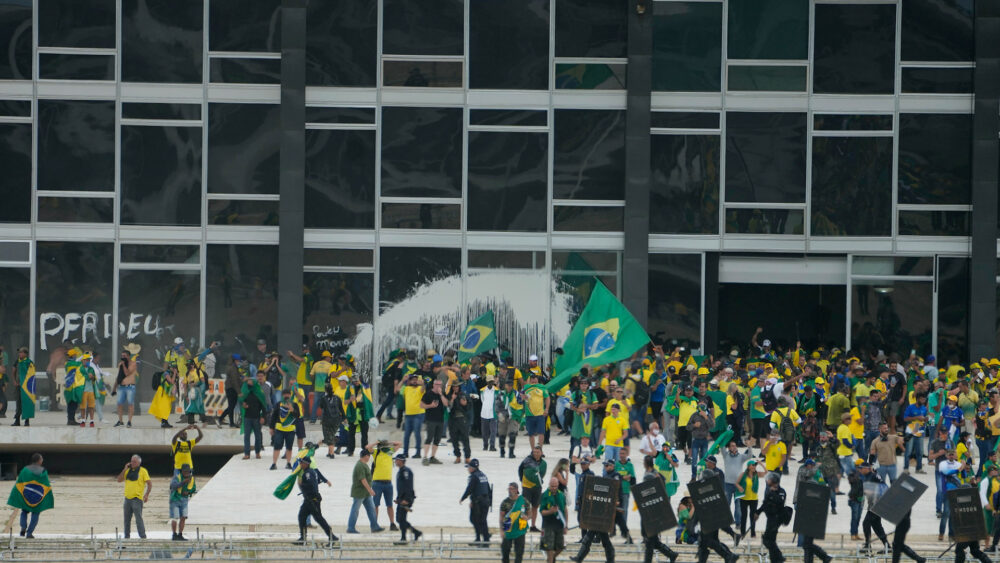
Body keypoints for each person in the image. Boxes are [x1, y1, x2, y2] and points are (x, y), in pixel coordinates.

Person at [569, 462, 616, 563]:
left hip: (601, 519)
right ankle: (579, 558)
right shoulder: (595, 491)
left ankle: (609, 559)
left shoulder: (609, 486)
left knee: (604, 542)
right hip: (597, 518)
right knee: (591, 540)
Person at [639, 456, 679, 563]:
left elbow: (662, 483)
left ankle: (649, 561)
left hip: (653, 514)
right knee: (654, 541)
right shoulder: (650, 473)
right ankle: (671, 554)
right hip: (649, 511)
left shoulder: (654, 473)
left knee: (650, 542)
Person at [7, 453, 53, 538]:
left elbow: (19, 482)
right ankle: (29, 533)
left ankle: (23, 527)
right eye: (41, 459)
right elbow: (46, 484)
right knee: (35, 513)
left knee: (24, 511)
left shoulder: (25, 470)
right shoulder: (43, 471)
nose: (42, 460)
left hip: (26, 495)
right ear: (39, 461)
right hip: (37, 496)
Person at [295, 456, 338, 544]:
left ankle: (332, 536)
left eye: (301, 463)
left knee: (319, 519)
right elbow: (316, 482)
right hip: (309, 500)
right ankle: (303, 538)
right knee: (302, 516)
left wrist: (301, 485)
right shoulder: (311, 472)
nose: (300, 464)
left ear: (306, 464)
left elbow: (311, 485)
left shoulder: (308, 473)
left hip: (312, 500)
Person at [345, 449, 385, 533]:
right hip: (359, 492)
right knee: (355, 510)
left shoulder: (364, 464)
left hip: (365, 493)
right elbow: (362, 479)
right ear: (366, 456)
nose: (369, 458)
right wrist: (370, 490)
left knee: (371, 509)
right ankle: (350, 528)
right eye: (369, 456)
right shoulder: (360, 465)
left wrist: (369, 491)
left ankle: (374, 526)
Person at [368, 440, 401, 531]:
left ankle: (392, 523)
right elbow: (368, 447)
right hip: (377, 482)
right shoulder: (376, 453)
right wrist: (376, 442)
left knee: (389, 505)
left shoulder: (389, 452)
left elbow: (399, 443)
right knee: (375, 505)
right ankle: (374, 525)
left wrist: (388, 441)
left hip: (388, 483)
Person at [117, 454, 151, 540]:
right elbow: (119, 480)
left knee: (138, 519)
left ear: (139, 463)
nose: (132, 463)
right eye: (131, 461)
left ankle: (142, 536)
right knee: (126, 519)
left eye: (134, 462)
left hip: (137, 499)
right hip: (127, 499)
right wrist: (125, 469)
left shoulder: (143, 471)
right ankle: (127, 536)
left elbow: (149, 483)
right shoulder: (127, 471)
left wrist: (146, 494)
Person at [460, 458, 492, 546]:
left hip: (478, 502)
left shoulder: (473, 477)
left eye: (469, 467)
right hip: (485, 501)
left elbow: (470, 489)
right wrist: (490, 502)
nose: (468, 469)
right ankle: (483, 538)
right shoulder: (483, 475)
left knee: (476, 520)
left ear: (472, 468)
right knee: (481, 520)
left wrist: (463, 498)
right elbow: (488, 489)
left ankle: (484, 539)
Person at [756, 472, 786, 563]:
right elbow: (765, 503)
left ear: (773, 481)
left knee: (768, 539)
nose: (767, 480)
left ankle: (779, 557)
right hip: (770, 518)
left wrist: (773, 493)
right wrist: (757, 512)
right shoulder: (769, 491)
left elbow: (780, 502)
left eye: (769, 479)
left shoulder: (781, 491)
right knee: (770, 540)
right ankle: (775, 559)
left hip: (777, 518)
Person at [269, 389, 300, 470]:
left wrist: (292, 409)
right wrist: (271, 427)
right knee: (277, 446)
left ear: (290, 395)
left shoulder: (294, 404)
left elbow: (298, 416)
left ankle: (288, 463)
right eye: (284, 394)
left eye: (288, 394)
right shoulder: (278, 404)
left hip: (290, 429)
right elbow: (274, 416)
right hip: (279, 429)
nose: (286, 396)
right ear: (282, 395)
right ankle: (274, 463)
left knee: (289, 447)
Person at [393, 453, 422, 543]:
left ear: (401, 461)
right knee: (399, 519)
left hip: (406, 499)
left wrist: (407, 500)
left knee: (401, 519)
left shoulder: (406, 471)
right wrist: (398, 499)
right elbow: (401, 487)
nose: (395, 461)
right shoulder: (401, 471)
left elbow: (408, 486)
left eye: (397, 460)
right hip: (401, 499)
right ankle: (415, 532)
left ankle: (404, 538)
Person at [240, 372, 269, 459]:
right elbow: (241, 400)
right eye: (249, 382)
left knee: (258, 436)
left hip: (257, 417)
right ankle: (247, 453)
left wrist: (263, 417)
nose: (250, 383)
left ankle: (257, 452)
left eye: (251, 381)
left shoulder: (260, 393)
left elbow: (264, 406)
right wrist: (243, 404)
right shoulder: (246, 392)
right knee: (247, 436)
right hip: (247, 417)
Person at [519, 446, 547, 532]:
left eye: (537, 452)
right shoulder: (527, 460)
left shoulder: (544, 463)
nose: (535, 454)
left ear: (541, 453)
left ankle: (533, 526)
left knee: (535, 506)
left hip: (537, 487)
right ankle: (522, 525)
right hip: (526, 487)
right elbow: (520, 469)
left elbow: (542, 474)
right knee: (524, 506)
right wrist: (522, 480)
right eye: (534, 452)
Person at [539, 477, 567, 563]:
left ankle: (551, 559)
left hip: (559, 525)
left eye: (555, 486)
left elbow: (565, 510)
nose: (554, 488)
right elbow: (542, 511)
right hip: (548, 525)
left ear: (558, 485)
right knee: (549, 548)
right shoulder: (544, 495)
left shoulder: (561, 495)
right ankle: (550, 560)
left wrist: (566, 525)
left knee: (561, 547)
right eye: (552, 486)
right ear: (549, 485)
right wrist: (550, 511)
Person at [500, 482, 528, 563]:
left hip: (520, 528)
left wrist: (527, 517)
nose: (509, 491)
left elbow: (530, 513)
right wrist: (501, 530)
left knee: (519, 552)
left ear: (516, 490)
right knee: (505, 550)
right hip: (508, 526)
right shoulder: (505, 502)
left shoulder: (523, 500)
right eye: (509, 489)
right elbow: (501, 516)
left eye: (511, 489)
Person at [420, 378, 445, 465]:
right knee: (429, 438)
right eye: (437, 384)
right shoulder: (428, 394)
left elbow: (446, 404)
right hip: (431, 419)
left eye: (440, 385)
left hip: (440, 420)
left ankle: (433, 457)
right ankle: (425, 457)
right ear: (434, 385)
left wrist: (441, 394)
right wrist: (430, 405)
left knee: (437, 439)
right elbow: (421, 405)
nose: (438, 386)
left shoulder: (442, 394)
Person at [113, 346, 139, 427]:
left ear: (128, 356)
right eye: (122, 356)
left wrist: (123, 364)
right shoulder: (120, 364)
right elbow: (119, 376)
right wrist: (114, 387)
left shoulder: (133, 363)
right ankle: (120, 421)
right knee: (119, 404)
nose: (123, 357)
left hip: (130, 387)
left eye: (124, 356)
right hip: (121, 387)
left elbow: (127, 373)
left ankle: (129, 421)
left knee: (130, 404)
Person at [169, 464, 196, 541]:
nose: (187, 473)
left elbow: (193, 488)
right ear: (182, 471)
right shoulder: (177, 477)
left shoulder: (192, 478)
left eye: (188, 471)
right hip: (175, 499)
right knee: (175, 517)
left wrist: (188, 492)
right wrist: (183, 482)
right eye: (185, 471)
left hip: (184, 500)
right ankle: (174, 535)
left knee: (183, 517)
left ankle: (180, 534)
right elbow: (173, 486)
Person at [447, 380, 472, 463]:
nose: (455, 388)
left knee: (465, 439)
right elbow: (448, 408)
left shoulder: (463, 395)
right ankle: (458, 456)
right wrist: (452, 400)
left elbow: (469, 407)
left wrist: (464, 404)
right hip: (453, 420)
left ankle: (467, 457)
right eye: (454, 386)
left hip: (462, 419)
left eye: (457, 386)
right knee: (454, 439)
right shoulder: (449, 395)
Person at [499, 378, 524, 459]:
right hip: (503, 416)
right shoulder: (501, 394)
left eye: (511, 386)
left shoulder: (517, 394)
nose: (509, 387)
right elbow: (496, 405)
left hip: (513, 416)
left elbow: (521, 405)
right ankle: (502, 451)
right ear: (505, 386)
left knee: (512, 434)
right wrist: (499, 414)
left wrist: (519, 416)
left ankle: (511, 452)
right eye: (508, 385)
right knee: (502, 435)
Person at [524, 374, 550, 449]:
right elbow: (521, 398)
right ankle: (533, 451)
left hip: (540, 414)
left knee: (541, 433)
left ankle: (540, 450)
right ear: (530, 380)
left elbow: (547, 398)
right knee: (531, 434)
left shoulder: (542, 388)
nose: (534, 381)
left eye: (535, 379)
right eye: (532, 379)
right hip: (529, 414)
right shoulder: (525, 388)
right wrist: (523, 397)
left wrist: (546, 409)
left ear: (537, 380)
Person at [402, 374, 425, 458]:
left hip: (418, 414)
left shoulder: (420, 388)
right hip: (408, 415)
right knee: (406, 435)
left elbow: (423, 389)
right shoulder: (407, 388)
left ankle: (418, 452)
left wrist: (422, 383)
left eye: (416, 379)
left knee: (417, 433)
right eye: (412, 379)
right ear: (410, 381)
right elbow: (397, 390)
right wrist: (402, 381)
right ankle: (405, 452)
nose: (414, 381)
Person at [12, 347, 35, 426]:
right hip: (19, 386)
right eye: (19, 352)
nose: (20, 354)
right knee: (18, 403)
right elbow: (13, 370)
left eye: (21, 352)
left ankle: (26, 421)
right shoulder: (17, 361)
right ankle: (17, 420)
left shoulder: (29, 362)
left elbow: (31, 375)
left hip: (26, 387)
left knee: (26, 402)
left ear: (26, 354)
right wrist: (15, 381)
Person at [319, 382, 344, 458]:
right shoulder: (337, 398)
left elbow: (321, 406)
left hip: (327, 420)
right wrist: (344, 418)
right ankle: (330, 452)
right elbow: (341, 409)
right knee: (332, 436)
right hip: (336, 420)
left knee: (328, 436)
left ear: (325, 390)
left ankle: (332, 453)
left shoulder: (323, 398)